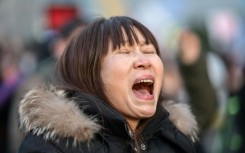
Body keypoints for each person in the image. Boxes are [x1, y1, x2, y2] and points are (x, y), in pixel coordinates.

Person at [17, 16, 198, 153]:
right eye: (125, 52)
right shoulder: (51, 147)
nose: (144, 60)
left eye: (149, 50)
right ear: (90, 71)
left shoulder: (176, 139)